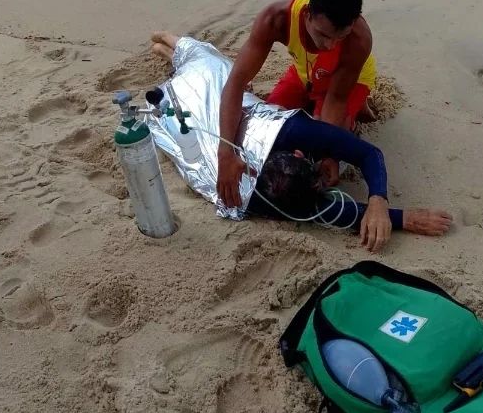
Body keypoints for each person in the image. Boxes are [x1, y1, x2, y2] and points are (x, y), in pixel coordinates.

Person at [150, 32, 452, 252]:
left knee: (200, 60)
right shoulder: (263, 196)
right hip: (174, 107)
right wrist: (403, 219)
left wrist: (379, 203)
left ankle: (163, 42)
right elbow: (335, 213)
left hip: (191, 100)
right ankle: (163, 43)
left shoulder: (282, 150)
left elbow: (367, 156)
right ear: (298, 153)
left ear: (298, 152)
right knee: (199, 63)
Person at [215, 0, 377, 209]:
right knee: (271, 123)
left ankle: (357, 108)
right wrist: (225, 152)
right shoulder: (275, 19)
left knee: (326, 143)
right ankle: (347, 107)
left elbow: (336, 97)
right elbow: (236, 83)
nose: (330, 45)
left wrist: (327, 154)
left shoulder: (359, 40)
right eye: (324, 35)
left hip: (346, 80)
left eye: (339, 38)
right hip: (306, 73)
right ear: (308, 15)